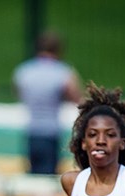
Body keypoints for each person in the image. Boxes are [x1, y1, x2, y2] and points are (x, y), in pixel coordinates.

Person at [12, 31, 82, 175]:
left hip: (32, 130)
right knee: (48, 178)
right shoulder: (63, 72)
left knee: (33, 176)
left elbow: (20, 94)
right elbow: (77, 98)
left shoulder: (24, 71)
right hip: (51, 131)